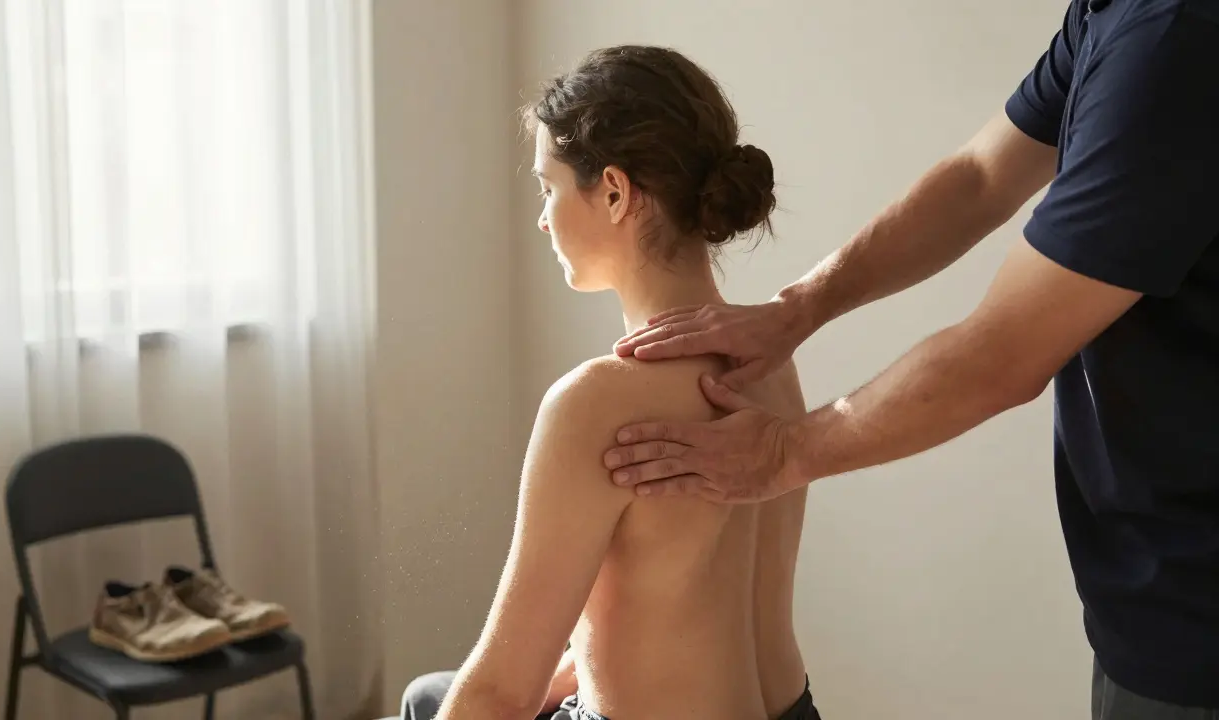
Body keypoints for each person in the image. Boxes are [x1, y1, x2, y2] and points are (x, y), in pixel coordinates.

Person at [604, 1, 1219, 718]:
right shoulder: (1117, 14)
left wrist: (784, 454)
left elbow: (1003, 352)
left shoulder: (1180, 41)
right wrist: (798, 307)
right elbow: (981, 176)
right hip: (1152, 603)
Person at [390, 45, 819, 720]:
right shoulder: (770, 367)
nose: (542, 217)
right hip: (793, 710)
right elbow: (684, 606)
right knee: (427, 696)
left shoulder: (595, 402)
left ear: (615, 192)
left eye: (549, 186)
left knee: (430, 703)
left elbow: (500, 695)